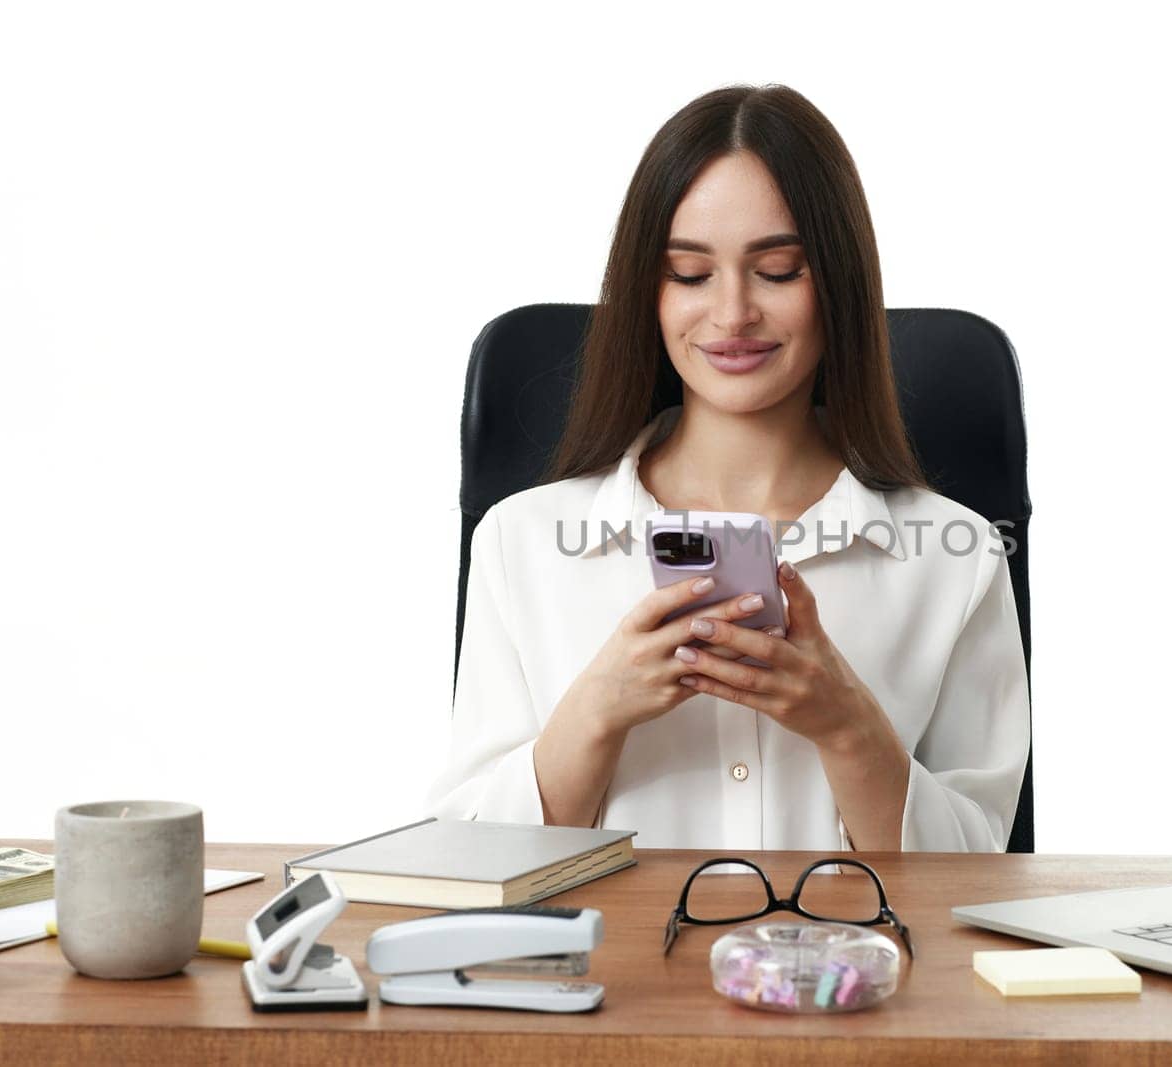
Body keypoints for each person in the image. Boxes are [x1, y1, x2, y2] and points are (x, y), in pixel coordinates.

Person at [425, 84, 1030, 852]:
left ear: (837, 285)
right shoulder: (523, 541)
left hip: (853, 973)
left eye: (777, 270)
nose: (733, 312)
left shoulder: (958, 554)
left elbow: (982, 874)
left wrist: (847, 724)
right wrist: (595, 709)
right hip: (611, 972)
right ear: (648, 290)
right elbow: (462, 862)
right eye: (689, 272)